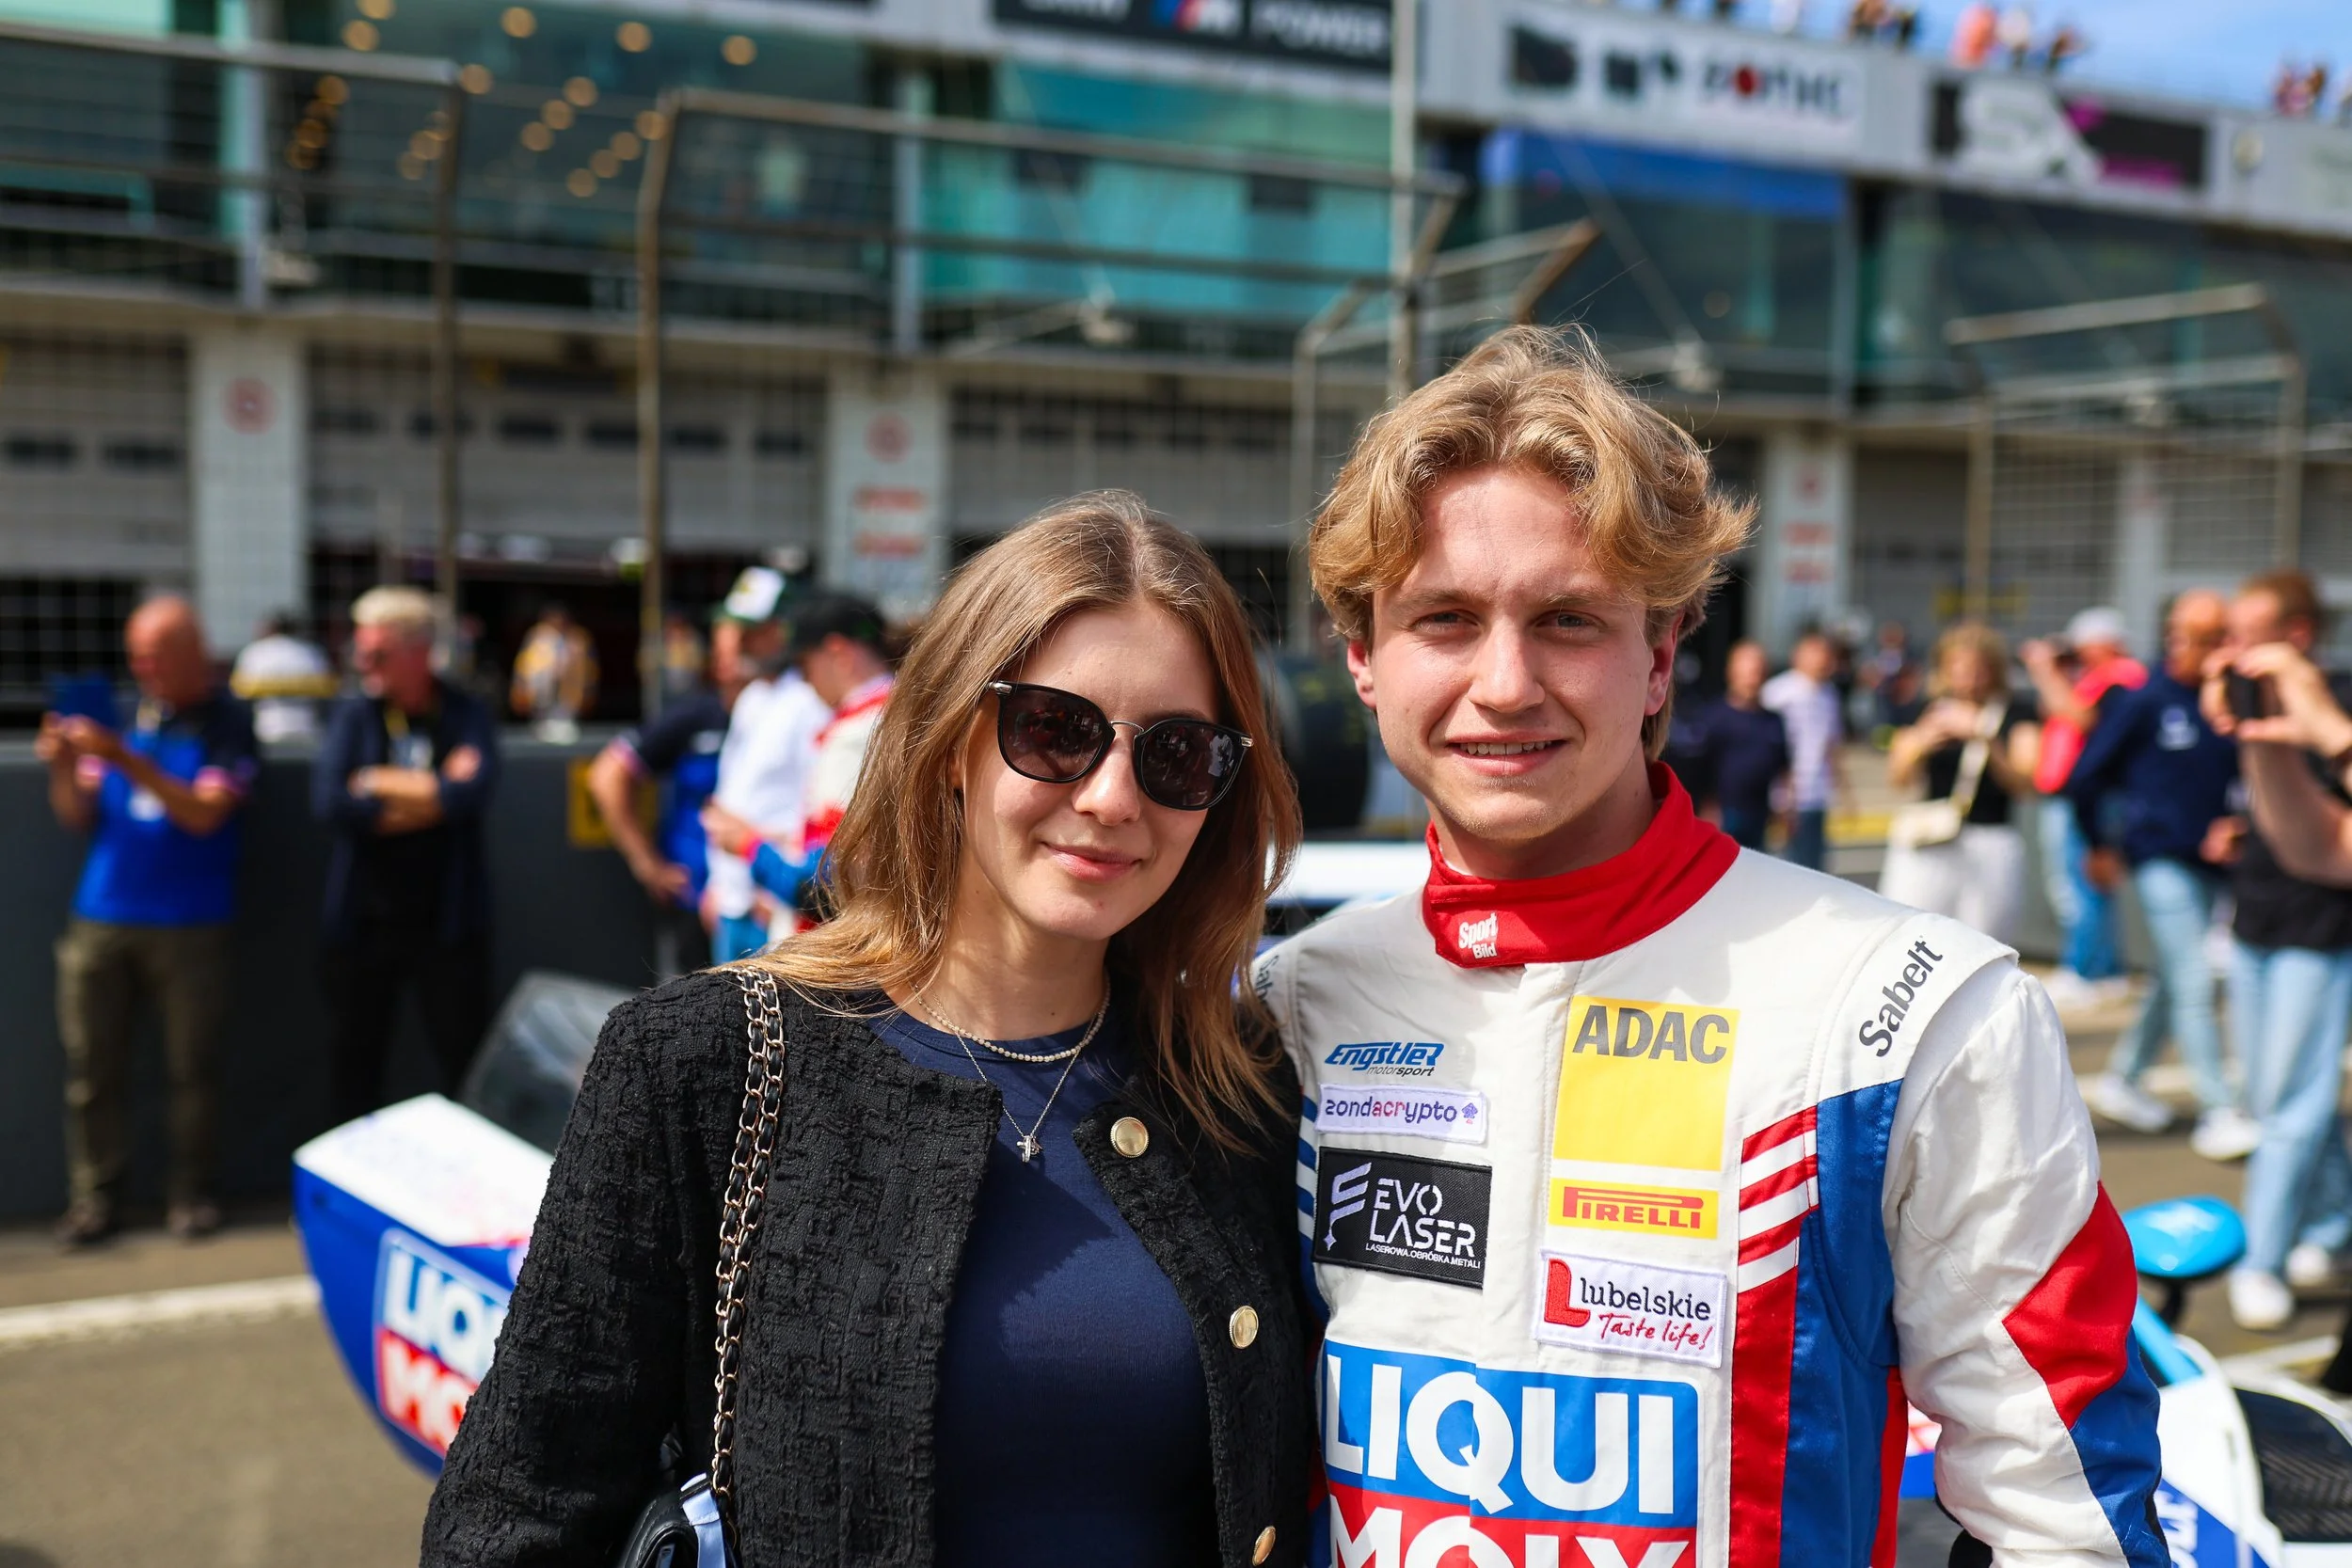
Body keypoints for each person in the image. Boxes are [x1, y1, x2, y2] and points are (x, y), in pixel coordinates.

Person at [1258, 326, 2162, 1564]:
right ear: (1364, 657)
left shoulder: (1909, 1011)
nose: (1506, 681)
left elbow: (2067, 1516)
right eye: (1446, 618)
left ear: (1662, 654)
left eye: (1569, 618)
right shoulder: (1294, 1004)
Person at [423, 493, 1313, 1567]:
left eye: (1177, 751)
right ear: (950, 742)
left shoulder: (1238, 1084)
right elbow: (514, 1517)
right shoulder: (706, 1060)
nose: (1113, 796)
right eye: (1055, 729)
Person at [40, 596, 256, 1244]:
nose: (144, 669)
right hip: (103, 914)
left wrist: (123, 757)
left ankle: (191, 1193)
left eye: (156, 656)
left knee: (192, 1069)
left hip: (190, 922)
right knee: (92, 1067)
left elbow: (204, 813)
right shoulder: (122, 714)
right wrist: (63, 764)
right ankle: (95, 1197)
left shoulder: (227, 722)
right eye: (137, 656)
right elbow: (77, 812)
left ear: (193, 652)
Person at [2201, 573, 2352, 1330]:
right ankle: (2335, 1221)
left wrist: (2326, 732)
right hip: (2257, 916)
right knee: (2282, 1094)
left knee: (2290, 1103)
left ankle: (2262, 1257)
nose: (2234, 648)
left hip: (2321, 929)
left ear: (2297, 634)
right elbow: (2297, 832)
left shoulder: (2332, 700)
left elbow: (2332, 850)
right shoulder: (2253, 701)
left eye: (2248, 633)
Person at [2067, 590, 2259, 1159]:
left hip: (2215, 863)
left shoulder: (2229, 700)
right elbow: (2086, 775)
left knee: (2175, 977)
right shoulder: (2145, 699)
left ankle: (2125, 1077)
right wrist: (2099, 844)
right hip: (2159, 858)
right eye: (2205, 637)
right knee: (2196, 977)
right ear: (2176, 636)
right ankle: (2219, 1109)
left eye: (2222, 636)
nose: (2214, 648)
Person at [314, 587, 501, 1122]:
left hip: (447, 926)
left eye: (378, 654)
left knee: (464, 1066)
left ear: (418, 653)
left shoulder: (464, 712)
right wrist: (434, 792)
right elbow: (332, 802)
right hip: (364, 925)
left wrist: (374, 782)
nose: (364, 665)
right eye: (361, 652)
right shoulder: (355, 715)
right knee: (354, 1068)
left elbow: (472, 795)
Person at [704, 593, 897, 924]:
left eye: (805, 665)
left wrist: (750, 846)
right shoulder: (899, 713)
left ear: (838, 652)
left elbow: (829, 888)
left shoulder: (858, 733)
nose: (805, 680)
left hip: (833, 943)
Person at [584, 612, 756, 980]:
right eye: (732, 649)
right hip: (693, 896)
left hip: (763, 900)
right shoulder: (697, 716)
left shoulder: (792, 713)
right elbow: (607, 774)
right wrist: (646, 863)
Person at [1881, 621, 2042, 942]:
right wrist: (1921, 742)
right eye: (1958, 669)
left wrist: (1984, 736)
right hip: (1932, 835)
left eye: (1977, 670)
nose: (1967, 679)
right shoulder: (1927, 709)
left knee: (1983, 941)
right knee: (1912, 935)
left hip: (1990, 837)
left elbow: (2025, 784)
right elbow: (1898, 778)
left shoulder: (2017, 713)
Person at [702, 566, 829, 961]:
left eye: (753, 630)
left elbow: (822, 807)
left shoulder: (810, 702)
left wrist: (777, 886)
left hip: (774, 904)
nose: (741, 641)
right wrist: (718, 885)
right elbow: (733, 794)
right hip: (735, 900)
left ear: (784, 630)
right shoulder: (752, 697)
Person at [2022, 607, 2146, 1008]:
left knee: (2079, 888)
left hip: (2090, 799)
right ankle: (2106, 970)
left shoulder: (2121, 680)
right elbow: (2054, 712)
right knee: (2089, 887)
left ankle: (2083, 970)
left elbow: (2081, 718)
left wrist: (2046, 671)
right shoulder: (2090, 680)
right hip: (2076, 796)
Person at [1682, 639, 1787, 849]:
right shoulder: (1714, 718)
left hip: (1760, 814)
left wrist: (1784, 808)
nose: (1753, 679)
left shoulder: (1773, 720)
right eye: (1748, 672)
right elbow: (1698, 770)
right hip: (1723, 815)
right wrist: (1707, 808)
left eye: (1758, 672)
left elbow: (1783, 768)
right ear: (1732, 673)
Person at [1761, 628, 1842, 869]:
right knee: (1788, 865)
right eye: (1816, 653)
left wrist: (1843, 790)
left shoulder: (1829, 695)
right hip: (1787, 795)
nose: (1823, 660)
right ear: (1798, 655)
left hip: (1818, 793)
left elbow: (1831, 745)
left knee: (1815, 867)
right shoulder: (1778, 692)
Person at [230, 609, 336, 747]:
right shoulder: (312, 653)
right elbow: (330, 690)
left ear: (269, 628)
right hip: (307, 729)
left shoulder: (254, 653)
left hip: (265, 729)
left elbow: (237, 693)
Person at [509, 601, 596, 742]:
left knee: (565, 716)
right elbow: (523, 664)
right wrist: (521, 686)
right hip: (542, 693)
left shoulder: (578, 637)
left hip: (569, 692)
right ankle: (542, 724)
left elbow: (589, 667)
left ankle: (564, 723)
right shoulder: (537, 636)